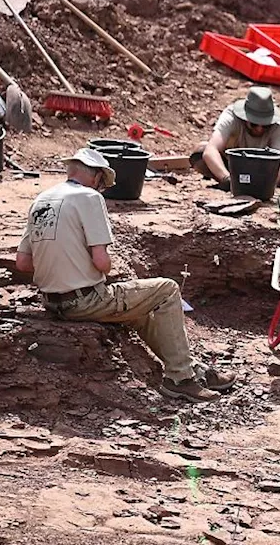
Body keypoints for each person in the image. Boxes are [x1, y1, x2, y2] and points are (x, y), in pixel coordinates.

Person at [15, 148, 235, 402]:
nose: (101, 190)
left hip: (52, 302)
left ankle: (193, 369)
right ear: (97, 176)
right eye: (101, 184)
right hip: (83, 301)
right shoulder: (89, 198)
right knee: (167, 289)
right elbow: (102, 263)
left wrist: (63, 264)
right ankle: (180, 379)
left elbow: (23, 262)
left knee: (139, 311)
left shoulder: (41, 200)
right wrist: (84, 266)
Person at [191, 87, 280, 190]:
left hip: (263, 169)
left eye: (265, 126)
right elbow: (211, 150)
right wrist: (228, 179)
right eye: (254, 124)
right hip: (233, 166)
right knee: (200, 153)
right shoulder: (231, 116)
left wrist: (270, 187)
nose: (259, 129)